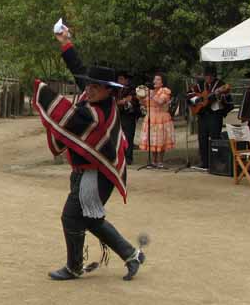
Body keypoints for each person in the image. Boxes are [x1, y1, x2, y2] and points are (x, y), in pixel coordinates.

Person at [35, 29, 146, 282]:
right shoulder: (92, 98)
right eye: (90, 85)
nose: (91, 89)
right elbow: (78, 69)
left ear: (109, 90)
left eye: (97, 86)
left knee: (71, 216)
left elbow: (65, 118)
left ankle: (74, 267)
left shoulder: (96, 114)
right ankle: (132, 255)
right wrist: (65, 44)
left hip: (99, 175)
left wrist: (44, 97)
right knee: (91, 220)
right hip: (86, 172)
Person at [187, 68, 233, 169]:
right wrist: (197, 100)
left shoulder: (221, 84)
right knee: (202, 138)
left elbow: (227, 98)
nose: (208, 77)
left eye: (210, 75)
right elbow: (189, 95)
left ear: (214, 75)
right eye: (206, 75)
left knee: (215, 138)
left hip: (215, 115)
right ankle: (204, 162)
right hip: (203, 115)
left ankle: (216, 162)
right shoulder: (200, 85)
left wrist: (219, 96)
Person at [140, 73, 176, 167]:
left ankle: (160, 162)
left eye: (158, 79)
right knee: (153, 139)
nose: (155, 81)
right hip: (150, 117)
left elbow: (160, 102)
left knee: (160, 139)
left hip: (161, 117)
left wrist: (152, 95)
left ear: (162, 82)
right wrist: (141, 96)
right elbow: (144, 104)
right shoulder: (150, 92)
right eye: (155, 79)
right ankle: (154, 161)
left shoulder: (165, 91)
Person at [116, 71, 142, 165]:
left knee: (128, 137)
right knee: (118, 137)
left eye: (121, 79)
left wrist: (126, 102)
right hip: (118, 115)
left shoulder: (132, 90)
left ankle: (128, 158)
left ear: (126, 80)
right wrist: (121, 101)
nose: (119, 81)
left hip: (129, 116)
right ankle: (120, 157)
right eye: (119, 79)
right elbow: (116, 101)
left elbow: (133, 101)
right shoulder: (116, 90)